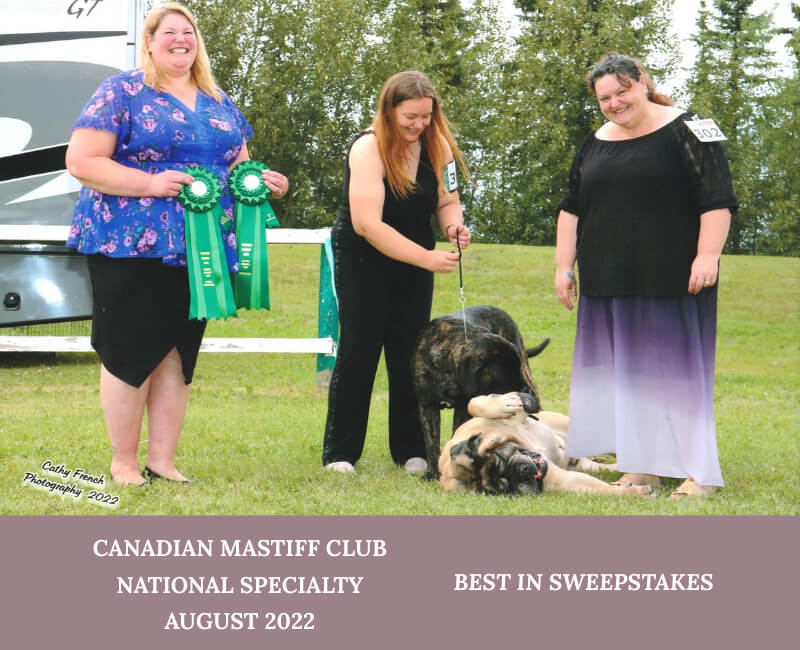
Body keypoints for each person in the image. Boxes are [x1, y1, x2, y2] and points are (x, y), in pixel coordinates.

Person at [65, 2, 289, 486]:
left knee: (177, 353)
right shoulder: (122, 91)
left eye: (188, 32)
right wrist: (148, 183)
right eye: (169, 32)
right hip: (129, 245)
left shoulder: (218, 98)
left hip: (201, 250)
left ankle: (163, 461)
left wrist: (262, 182)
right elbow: (82, 160)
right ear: (148, 41)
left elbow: (236, 167)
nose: (180, 39)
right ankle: (123, 462)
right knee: (130, 351)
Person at [554, 52, 738, 498]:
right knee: (626, 376)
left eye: (621, 92)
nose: (614, 104)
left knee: (678, 374)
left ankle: (701, 473)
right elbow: (572, 208)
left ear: (641, 81)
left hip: (673, 276)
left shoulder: (691, 129)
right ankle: (641, 466)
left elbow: (718, 199)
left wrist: (707, 256)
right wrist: (564, 266)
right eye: (604, 98)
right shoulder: (594, 141)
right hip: (607, 278)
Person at [322, 70, 471, 475]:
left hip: (414, 249)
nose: (419, 125)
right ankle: (340, 453)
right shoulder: (367, 148)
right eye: (410, 117)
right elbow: (367, 224)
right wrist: (426, 258)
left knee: (409, 351)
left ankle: (411, 450)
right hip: (362, 255)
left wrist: (454, 226)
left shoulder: (437, 145)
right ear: (388, 111)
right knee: (360, 348)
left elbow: (447, 200)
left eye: (426, 116)